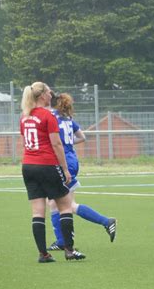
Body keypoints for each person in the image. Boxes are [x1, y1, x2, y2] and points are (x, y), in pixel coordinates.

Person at [19, 81, 85, 262]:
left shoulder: (24, 116)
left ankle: (43, 254)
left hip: (28, 166)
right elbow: (56, 144)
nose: (52, 95)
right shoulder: (48, 116)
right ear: (42, 96)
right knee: (65, 206)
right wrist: (64, 168)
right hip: (47, 165)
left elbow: (26, 141)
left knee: (37, 211)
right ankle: (69, 250)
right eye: (49, 92)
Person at [47, 93, 117, 251]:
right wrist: (68, 143)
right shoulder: (67, 119)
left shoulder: (51, 117)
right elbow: (82, 137)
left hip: (62, 162)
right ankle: (61, 241)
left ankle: (105, 222)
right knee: (54, 203)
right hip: (72, 159)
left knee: (65, 205)